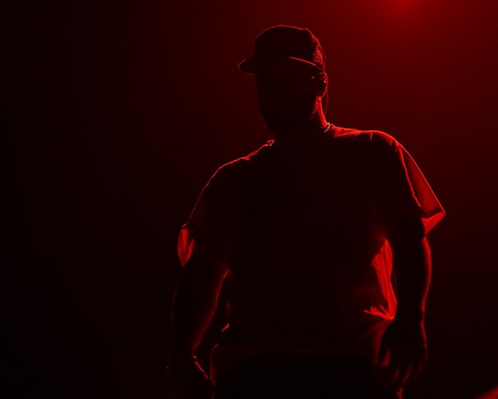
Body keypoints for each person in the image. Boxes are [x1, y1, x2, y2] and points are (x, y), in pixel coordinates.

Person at [166, 25, 445, 399]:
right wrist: (181, 355)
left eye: (288, 77)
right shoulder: (233, 180)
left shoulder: (373, 152)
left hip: (343, 371)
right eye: (266, 79)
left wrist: (412, 320)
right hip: (266, 374)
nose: (274, 89)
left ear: (321, 84)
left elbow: (410, 239)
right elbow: (202, 272)